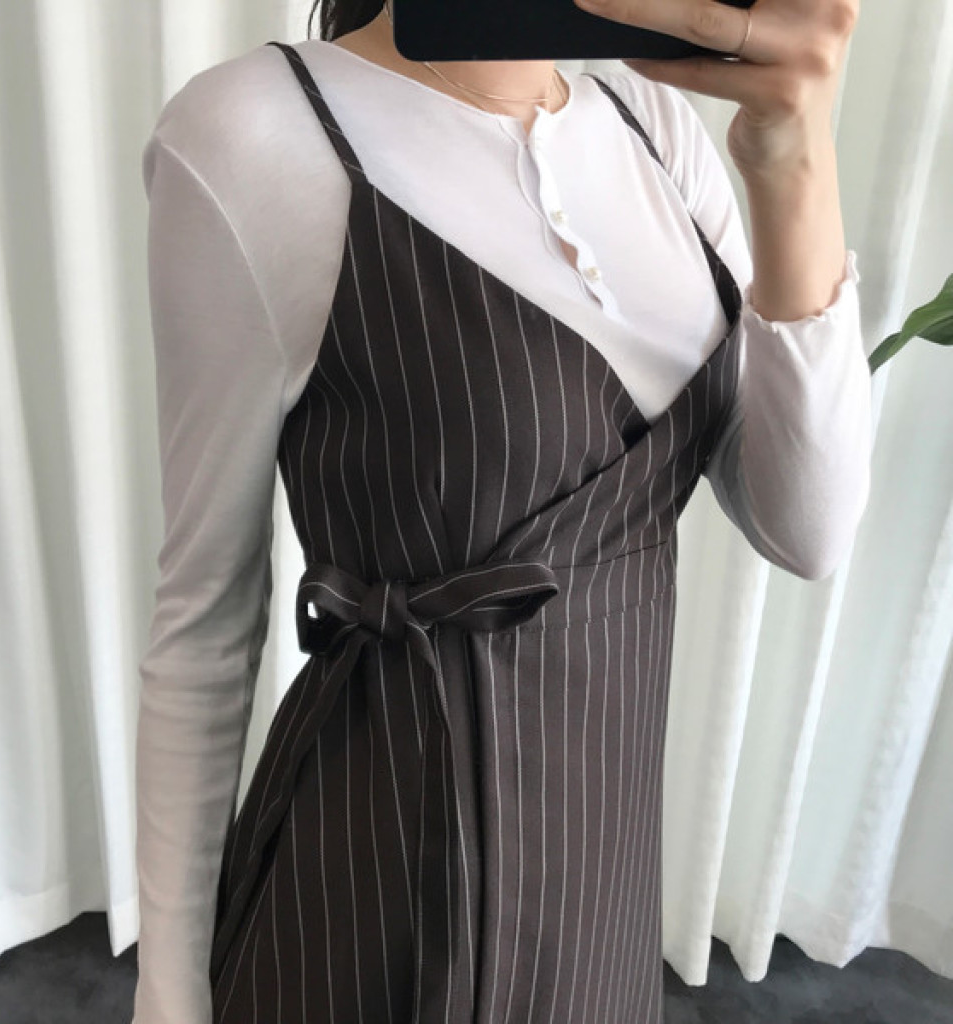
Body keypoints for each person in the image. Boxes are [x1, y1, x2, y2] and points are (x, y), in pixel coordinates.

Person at [131, 0, 871, 1021]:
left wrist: (793, 160)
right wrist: (169, 996)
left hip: (602, 879)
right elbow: (204, 618)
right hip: (385, 880)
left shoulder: (657, 132)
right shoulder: (254, 133)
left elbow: (807, 529)